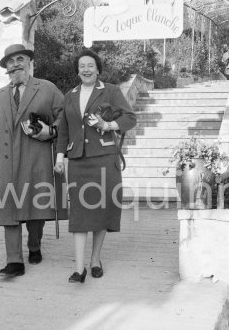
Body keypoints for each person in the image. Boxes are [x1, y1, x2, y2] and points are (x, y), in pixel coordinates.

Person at [54, 49, 136, 283]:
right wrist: (60, 159)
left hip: (105, 159)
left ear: (98, 69)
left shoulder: (110, 91)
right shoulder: (69, 95)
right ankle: (79, 269)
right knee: (79, 213)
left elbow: (130, 119)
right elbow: (64, 131)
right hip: (78, 161)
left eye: (91, 65)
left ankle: (95, 260)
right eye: (82, 66)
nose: (86, 69)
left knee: (101, 210)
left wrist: (108, 124)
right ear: (77, 71)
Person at [0, 43, 65, 278]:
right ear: (6, 68)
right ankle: (14, 261)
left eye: (20, 59)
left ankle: (35, 244)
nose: (15, 64)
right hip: (5, 162)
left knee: (35, 208)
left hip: (35, 159)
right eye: (10, 61)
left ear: (29, 62)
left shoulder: (47, 89)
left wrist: (50, 131)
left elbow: (65, 119)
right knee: (9, 210)